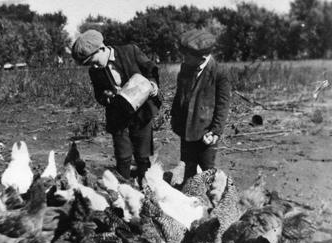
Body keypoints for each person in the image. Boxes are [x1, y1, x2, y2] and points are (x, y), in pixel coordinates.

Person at [71, 29, 161, 182]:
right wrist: (106, 97)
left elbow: (150, 69)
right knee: (123, 155)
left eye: (93, 61)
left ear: (102, 49)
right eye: (89, 65)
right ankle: (124, 188)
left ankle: (146, 188)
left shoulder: (130, 51)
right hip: (118, 116)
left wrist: (152, 84)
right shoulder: (95, 71)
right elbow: (98, 95)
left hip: (142, 112)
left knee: (142, 155)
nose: (94, 66)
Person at [170, 29, 230, 180]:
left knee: (206, 168)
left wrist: (216, 131)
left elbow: (223, 105)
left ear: (202, 57)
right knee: (188, 166)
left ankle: (209, 199)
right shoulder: (186, 68)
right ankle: (189, 196)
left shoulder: (219, 72)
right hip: (186, 128)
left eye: (187, 56)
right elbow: (180, 95)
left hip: (206, 131)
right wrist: (175, 118)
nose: (183, 58)